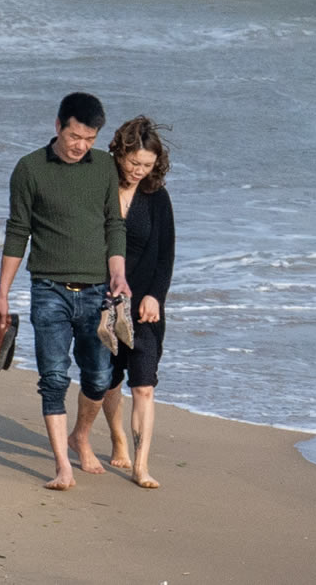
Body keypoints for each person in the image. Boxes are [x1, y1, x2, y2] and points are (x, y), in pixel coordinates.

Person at [0, 92, 128, 490]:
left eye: (89, 138)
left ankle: (81, 436)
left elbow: (113, 225)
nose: (81, 145)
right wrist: (2, 294)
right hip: (48, 288)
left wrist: (118, 273)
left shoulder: (104, 166)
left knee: (99, 377)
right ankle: (62, 467)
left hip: (97, 290)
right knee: (53, 377)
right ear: (58, 125)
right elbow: (18, 232)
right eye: (74, 136)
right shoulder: (29, 169)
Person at [98, 114, 175, 489]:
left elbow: (166, 256)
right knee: (109, 380)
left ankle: (141, 465)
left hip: (145, 306)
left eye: (147, 165)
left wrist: (155, 296)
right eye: (133, 163)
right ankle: (117, 437)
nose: (138, 171)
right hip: (103, 299)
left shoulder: (156, 198)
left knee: (143, 384)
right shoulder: (99, 187)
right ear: (119, 153)